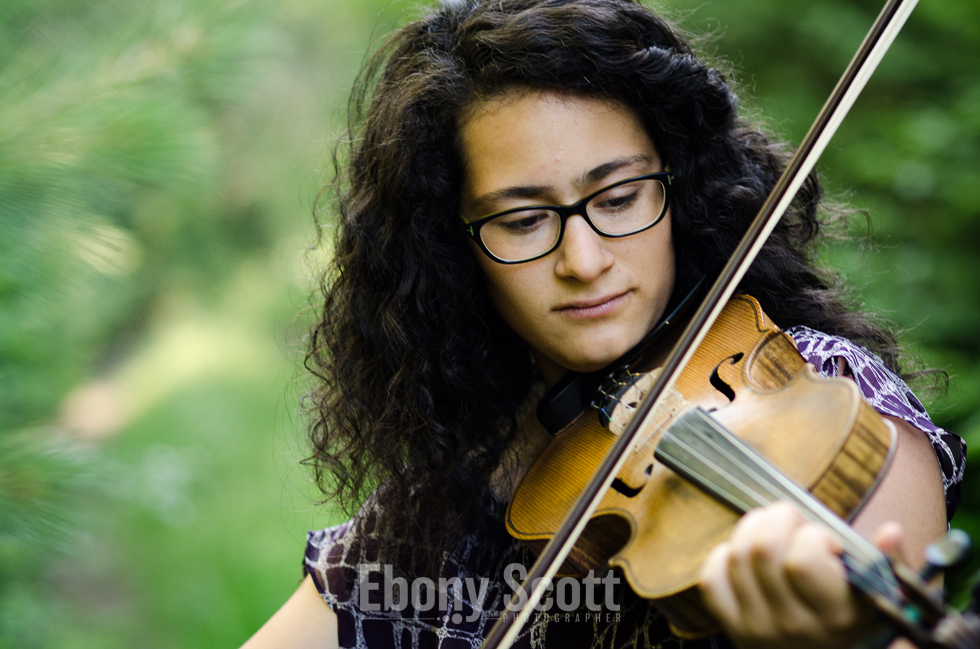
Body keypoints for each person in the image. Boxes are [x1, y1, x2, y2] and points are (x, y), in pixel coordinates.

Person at [242, 0, 966, 647]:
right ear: (449, 249)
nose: (584, 261)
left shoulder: (825, 387)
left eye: (619, 198)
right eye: (524, 220)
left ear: (680, 186)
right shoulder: (433, 513)